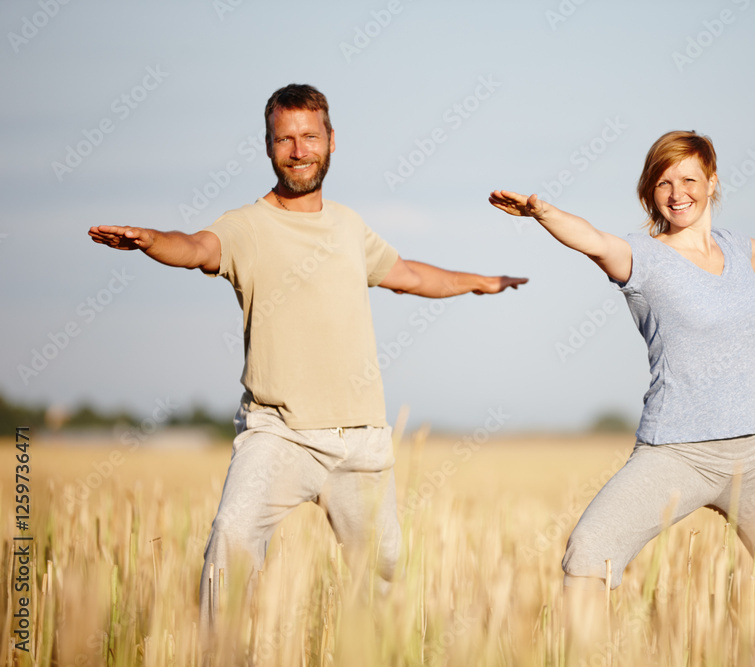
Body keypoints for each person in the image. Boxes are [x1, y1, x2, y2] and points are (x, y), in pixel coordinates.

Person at [89, 83, 527, 637]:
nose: (299, 151)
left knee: (385, 576)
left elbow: (409, 275)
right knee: (232, 537)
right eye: (285, 139)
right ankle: (219, 653)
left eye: (310, 137)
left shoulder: (347, 225)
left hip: (361, 436)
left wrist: (479, 282)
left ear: (332, 141)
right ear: (268, 146)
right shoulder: (245, 226)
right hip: (281, 432)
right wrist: (153, 240)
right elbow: (197, 247)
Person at [490, 130, 755, 666]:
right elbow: (593, 240)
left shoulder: (740, 250)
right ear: (650, 193)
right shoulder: (644, 259)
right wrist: (544, 212)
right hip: (677, 453)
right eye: (663, 182)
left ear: (712, 182)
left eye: (689, 180)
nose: (677, 193)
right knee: (588, 553)